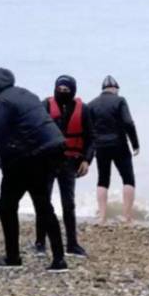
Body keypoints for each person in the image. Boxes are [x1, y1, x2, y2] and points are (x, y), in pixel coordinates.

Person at [0, 68, 68, 272]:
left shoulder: (3, 101)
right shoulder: (26, 94)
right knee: (43, 204)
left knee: (6, 207)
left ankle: (12, 257)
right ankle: (59, 260)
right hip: (53, 150)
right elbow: (26, 127)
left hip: (28, 157)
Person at [34, 75, 93, 258]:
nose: (63, 92)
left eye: (67, 90)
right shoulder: (45, 106)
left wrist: (86, 160)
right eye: (60, 89)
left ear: (73, 91)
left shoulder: (83, 110)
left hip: (69, 162)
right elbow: (34, 132)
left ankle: (72, 244)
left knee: (69, 204)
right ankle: (40, 242)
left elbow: (91, 138)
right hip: (48, 161)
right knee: (43, 202)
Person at [88, 75, 140, 224]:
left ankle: (102, 216)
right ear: (115, 89)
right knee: (128, 179)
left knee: (103, 180)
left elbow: (88, 129)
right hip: (119, 145)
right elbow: (128, 123)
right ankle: (127, 216)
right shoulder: (120, 100)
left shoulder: (91, 104)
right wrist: (135, 144)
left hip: (101, 147)